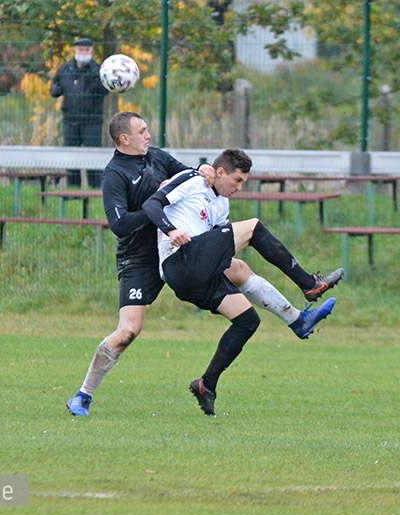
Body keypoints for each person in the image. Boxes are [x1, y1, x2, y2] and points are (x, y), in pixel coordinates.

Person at [66, 113, 342, 417]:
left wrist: (205, 172)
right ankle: (83, 395)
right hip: (142, 259)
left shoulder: (156, 157)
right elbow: (120, 225)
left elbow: (191, 175)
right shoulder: (114, 175)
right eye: (142, 130)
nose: (148, 134)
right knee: (128, 331)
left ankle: (285, 329)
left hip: (185, 248)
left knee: (240, 279)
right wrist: (167, 221)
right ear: (124, 139)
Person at [143, 148, 343, 416]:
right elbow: (151, 204)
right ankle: (309, 283)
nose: (239, 187)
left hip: (192, 276)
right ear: (220, 172)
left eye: (243, 183)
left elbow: (218, 246)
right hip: (178, 260)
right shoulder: (192, 179)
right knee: (253, 227)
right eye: (237, 180)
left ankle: (207, 383)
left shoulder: (221, 204)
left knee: (247, 315)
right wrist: (171, 229)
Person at [50, 37, 107, 187]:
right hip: (70, 120)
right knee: (71, 156)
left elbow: (104, 90)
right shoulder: (65, 69)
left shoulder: (99, 70)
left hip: (92, 121)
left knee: (93, 157)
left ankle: (96, 189)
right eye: (80, 49)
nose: (83, 52)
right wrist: (55, 89)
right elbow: (54, 85)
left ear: (91, 51)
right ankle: (73, 188)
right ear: (75, 51)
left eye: (86, 50)